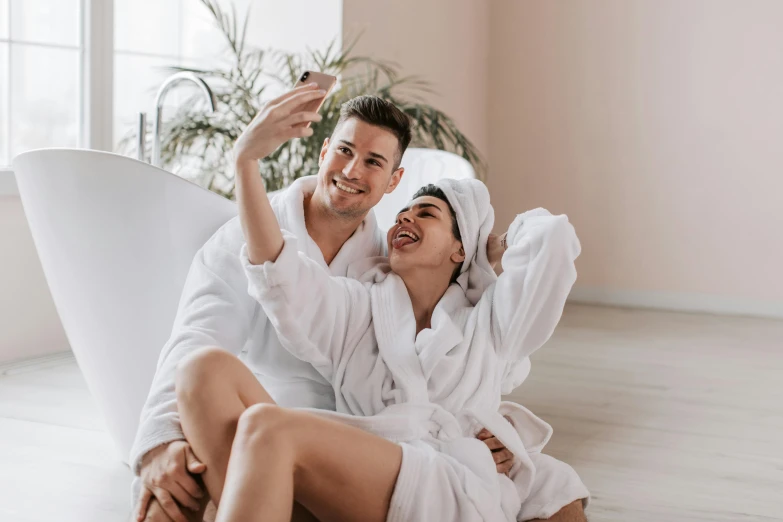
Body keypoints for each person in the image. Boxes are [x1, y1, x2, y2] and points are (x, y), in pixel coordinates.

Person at [171, 91, 590, 520]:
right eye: (403, 213)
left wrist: (491, 250)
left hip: (449, 478)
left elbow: (552, 241)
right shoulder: (360, 306)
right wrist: (246, 165)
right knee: (202, 370)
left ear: (459, 250)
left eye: (425, 213)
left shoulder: (489, 322)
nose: (405, 218)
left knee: (265, 427)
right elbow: (281, 276)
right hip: (362, 473)